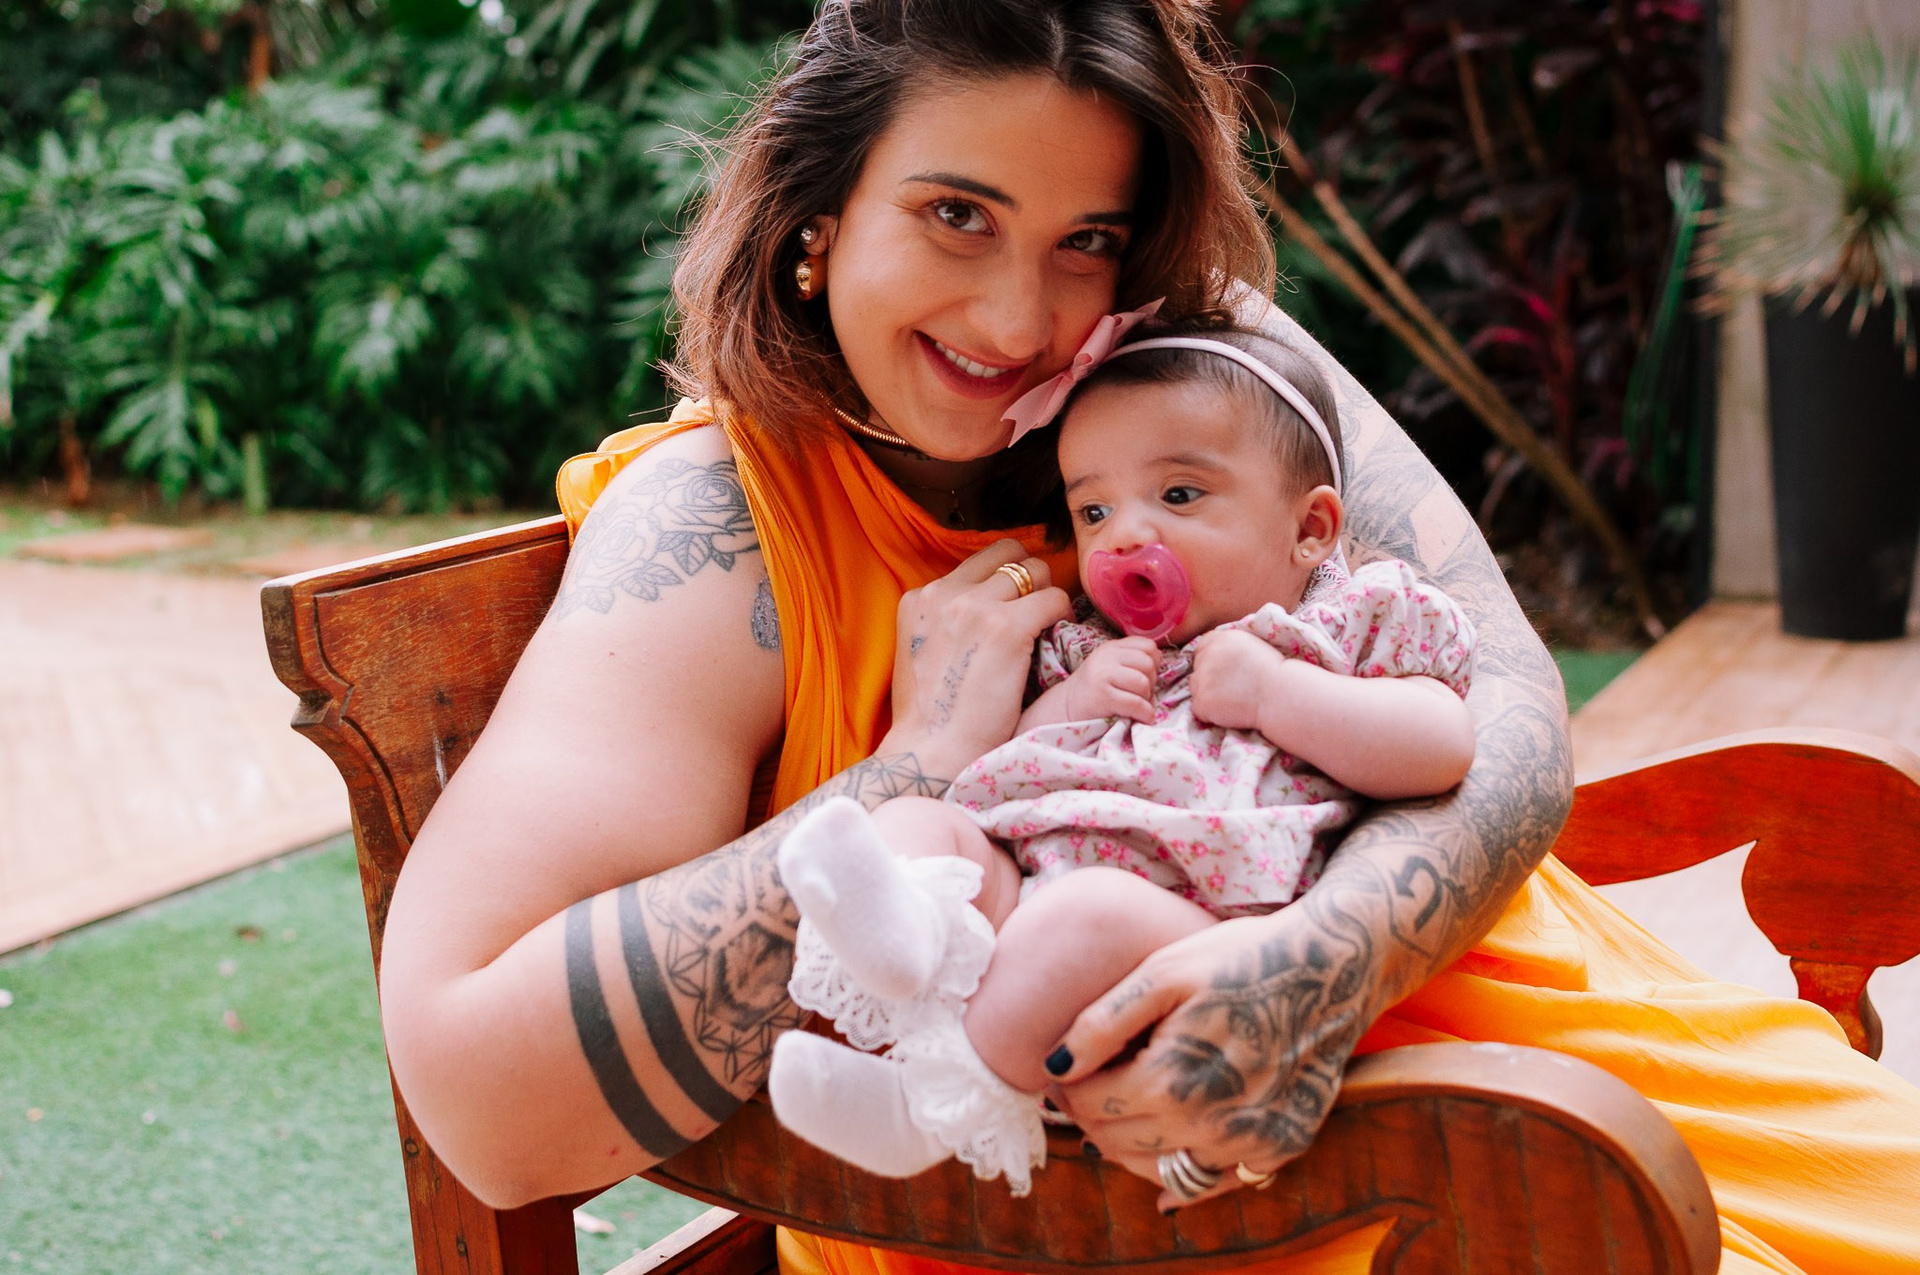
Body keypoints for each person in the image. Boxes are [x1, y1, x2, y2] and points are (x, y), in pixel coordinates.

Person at [373, 0, 1920, 1270]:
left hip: (1541, 1043)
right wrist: (922, 763)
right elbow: (483, 1102)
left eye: (1087, 238)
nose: (1019, 318)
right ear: (815, 222)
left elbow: (1503, 687)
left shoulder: (1200, 368)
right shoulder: (715, 533)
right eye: (957, 215)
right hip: (1196, 1197)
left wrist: (1319, 961)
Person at [765, 322, 1480, 1197]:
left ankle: (932, 1108)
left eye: (1178, 493)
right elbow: (1014, 762)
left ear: (1310, 528)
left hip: (1195, 923)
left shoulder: (1347, 620)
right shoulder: (1090, 645)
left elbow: (1441, 744)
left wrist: (1276, 693)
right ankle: (909, 935)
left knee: (1086, 914)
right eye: (1094, 511)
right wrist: (1072, 700)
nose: (1123, 535)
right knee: (922, 821)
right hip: (1031, 876)